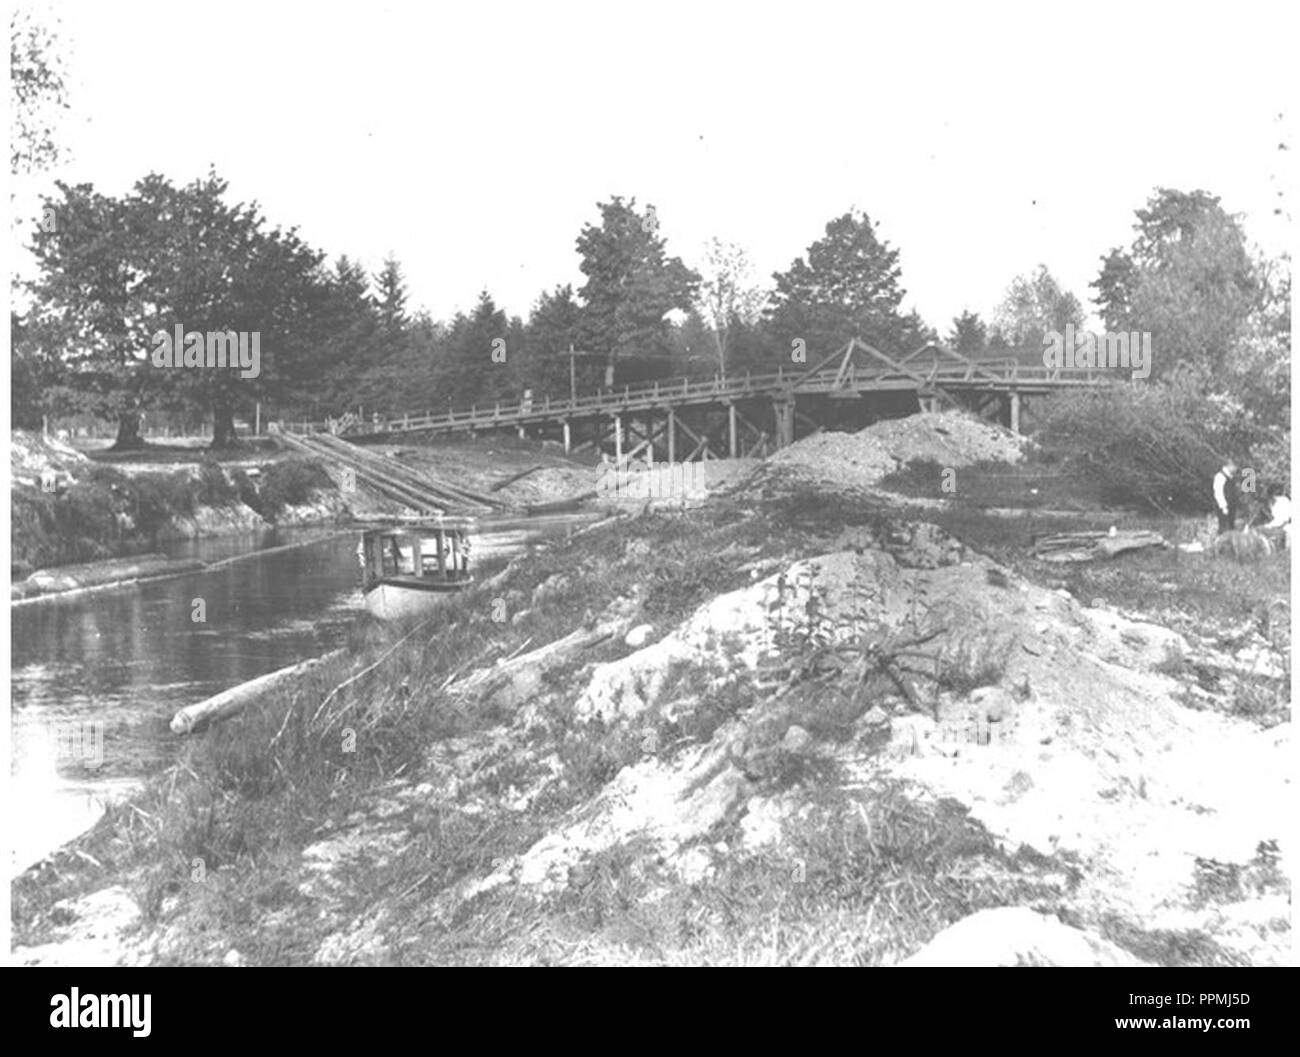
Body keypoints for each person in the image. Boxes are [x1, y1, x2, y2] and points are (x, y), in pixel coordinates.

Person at [1212, 461, 1239, 534]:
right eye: (1234, 466)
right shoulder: (1220, 476)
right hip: (1223, 508)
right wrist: (1224, 507)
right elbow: (1218, 493)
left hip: (1230, 507)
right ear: (1229, 466)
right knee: (1224, 529)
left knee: (1231, 528)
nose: (1236, 468)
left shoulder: (1230, 477)